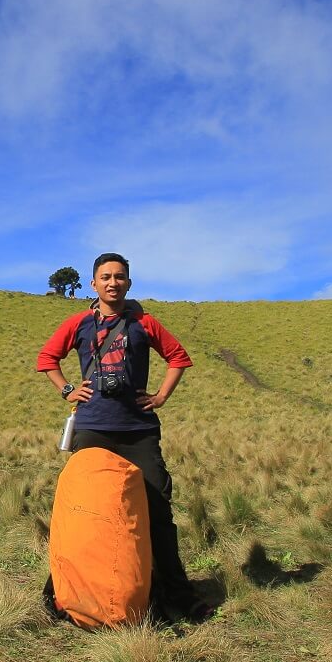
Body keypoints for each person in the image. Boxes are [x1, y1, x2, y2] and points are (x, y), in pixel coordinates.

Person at [35, 251, 209, 622]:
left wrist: (161, 396)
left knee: (157, 513)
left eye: (119, 276)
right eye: (106, 277)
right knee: (85, 513)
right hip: (94, 428)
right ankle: (62, 591)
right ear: (94, 283)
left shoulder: (144, 323)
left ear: (128, 282)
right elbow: (47, 358)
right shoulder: (78, 323)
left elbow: (178, 357)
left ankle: (177, 593)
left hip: (138, 431)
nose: (113, 282)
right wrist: (67, 390)